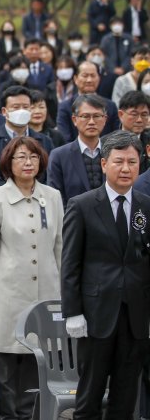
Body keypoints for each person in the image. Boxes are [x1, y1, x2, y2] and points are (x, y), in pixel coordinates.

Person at [61, 131, 150, 419]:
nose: (126, 169)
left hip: (135, 315)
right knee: (89, 397)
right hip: (96, 315)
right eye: (119, 161)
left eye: (133, 162)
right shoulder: (82, 205)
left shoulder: (146, 205)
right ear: (104, 164)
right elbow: (70, 263)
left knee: (125, 399)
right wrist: (73, 312)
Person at [0, 135, 63, 418]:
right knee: (5, 361)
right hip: (8, 293)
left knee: (35, 362)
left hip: (46, 292)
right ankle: (6, 414)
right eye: (21, 157)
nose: (28, 163)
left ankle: (28, 414)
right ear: (8, 163)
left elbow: (59, 246)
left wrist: (64, 291)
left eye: (34, 157)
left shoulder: (52, 197)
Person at [47, 94, 108, 205]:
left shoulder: (113, 153)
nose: (91, 122)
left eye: (97, 116)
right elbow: (56, 198)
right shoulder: (59, 156)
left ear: (105, 119)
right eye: (85, 116)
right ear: (74, 120)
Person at [0, 86, 54, 173]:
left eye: (26, 107)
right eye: (16, 107)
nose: (22, 111)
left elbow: (50, 174)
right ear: (4, 111)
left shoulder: (45, 141)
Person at [57, 61, 121, 142]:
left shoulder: (110, 106)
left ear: (99, 78)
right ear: (75, 79)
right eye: (85, 76)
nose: (89, 80)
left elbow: (116, 136)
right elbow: (64, 138)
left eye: (93, 75)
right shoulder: (65, 106)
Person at [117, 90, 150, 172]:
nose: (139, 120)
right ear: (121, 115)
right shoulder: (105, 142)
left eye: (144, 114)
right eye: (134, 114)